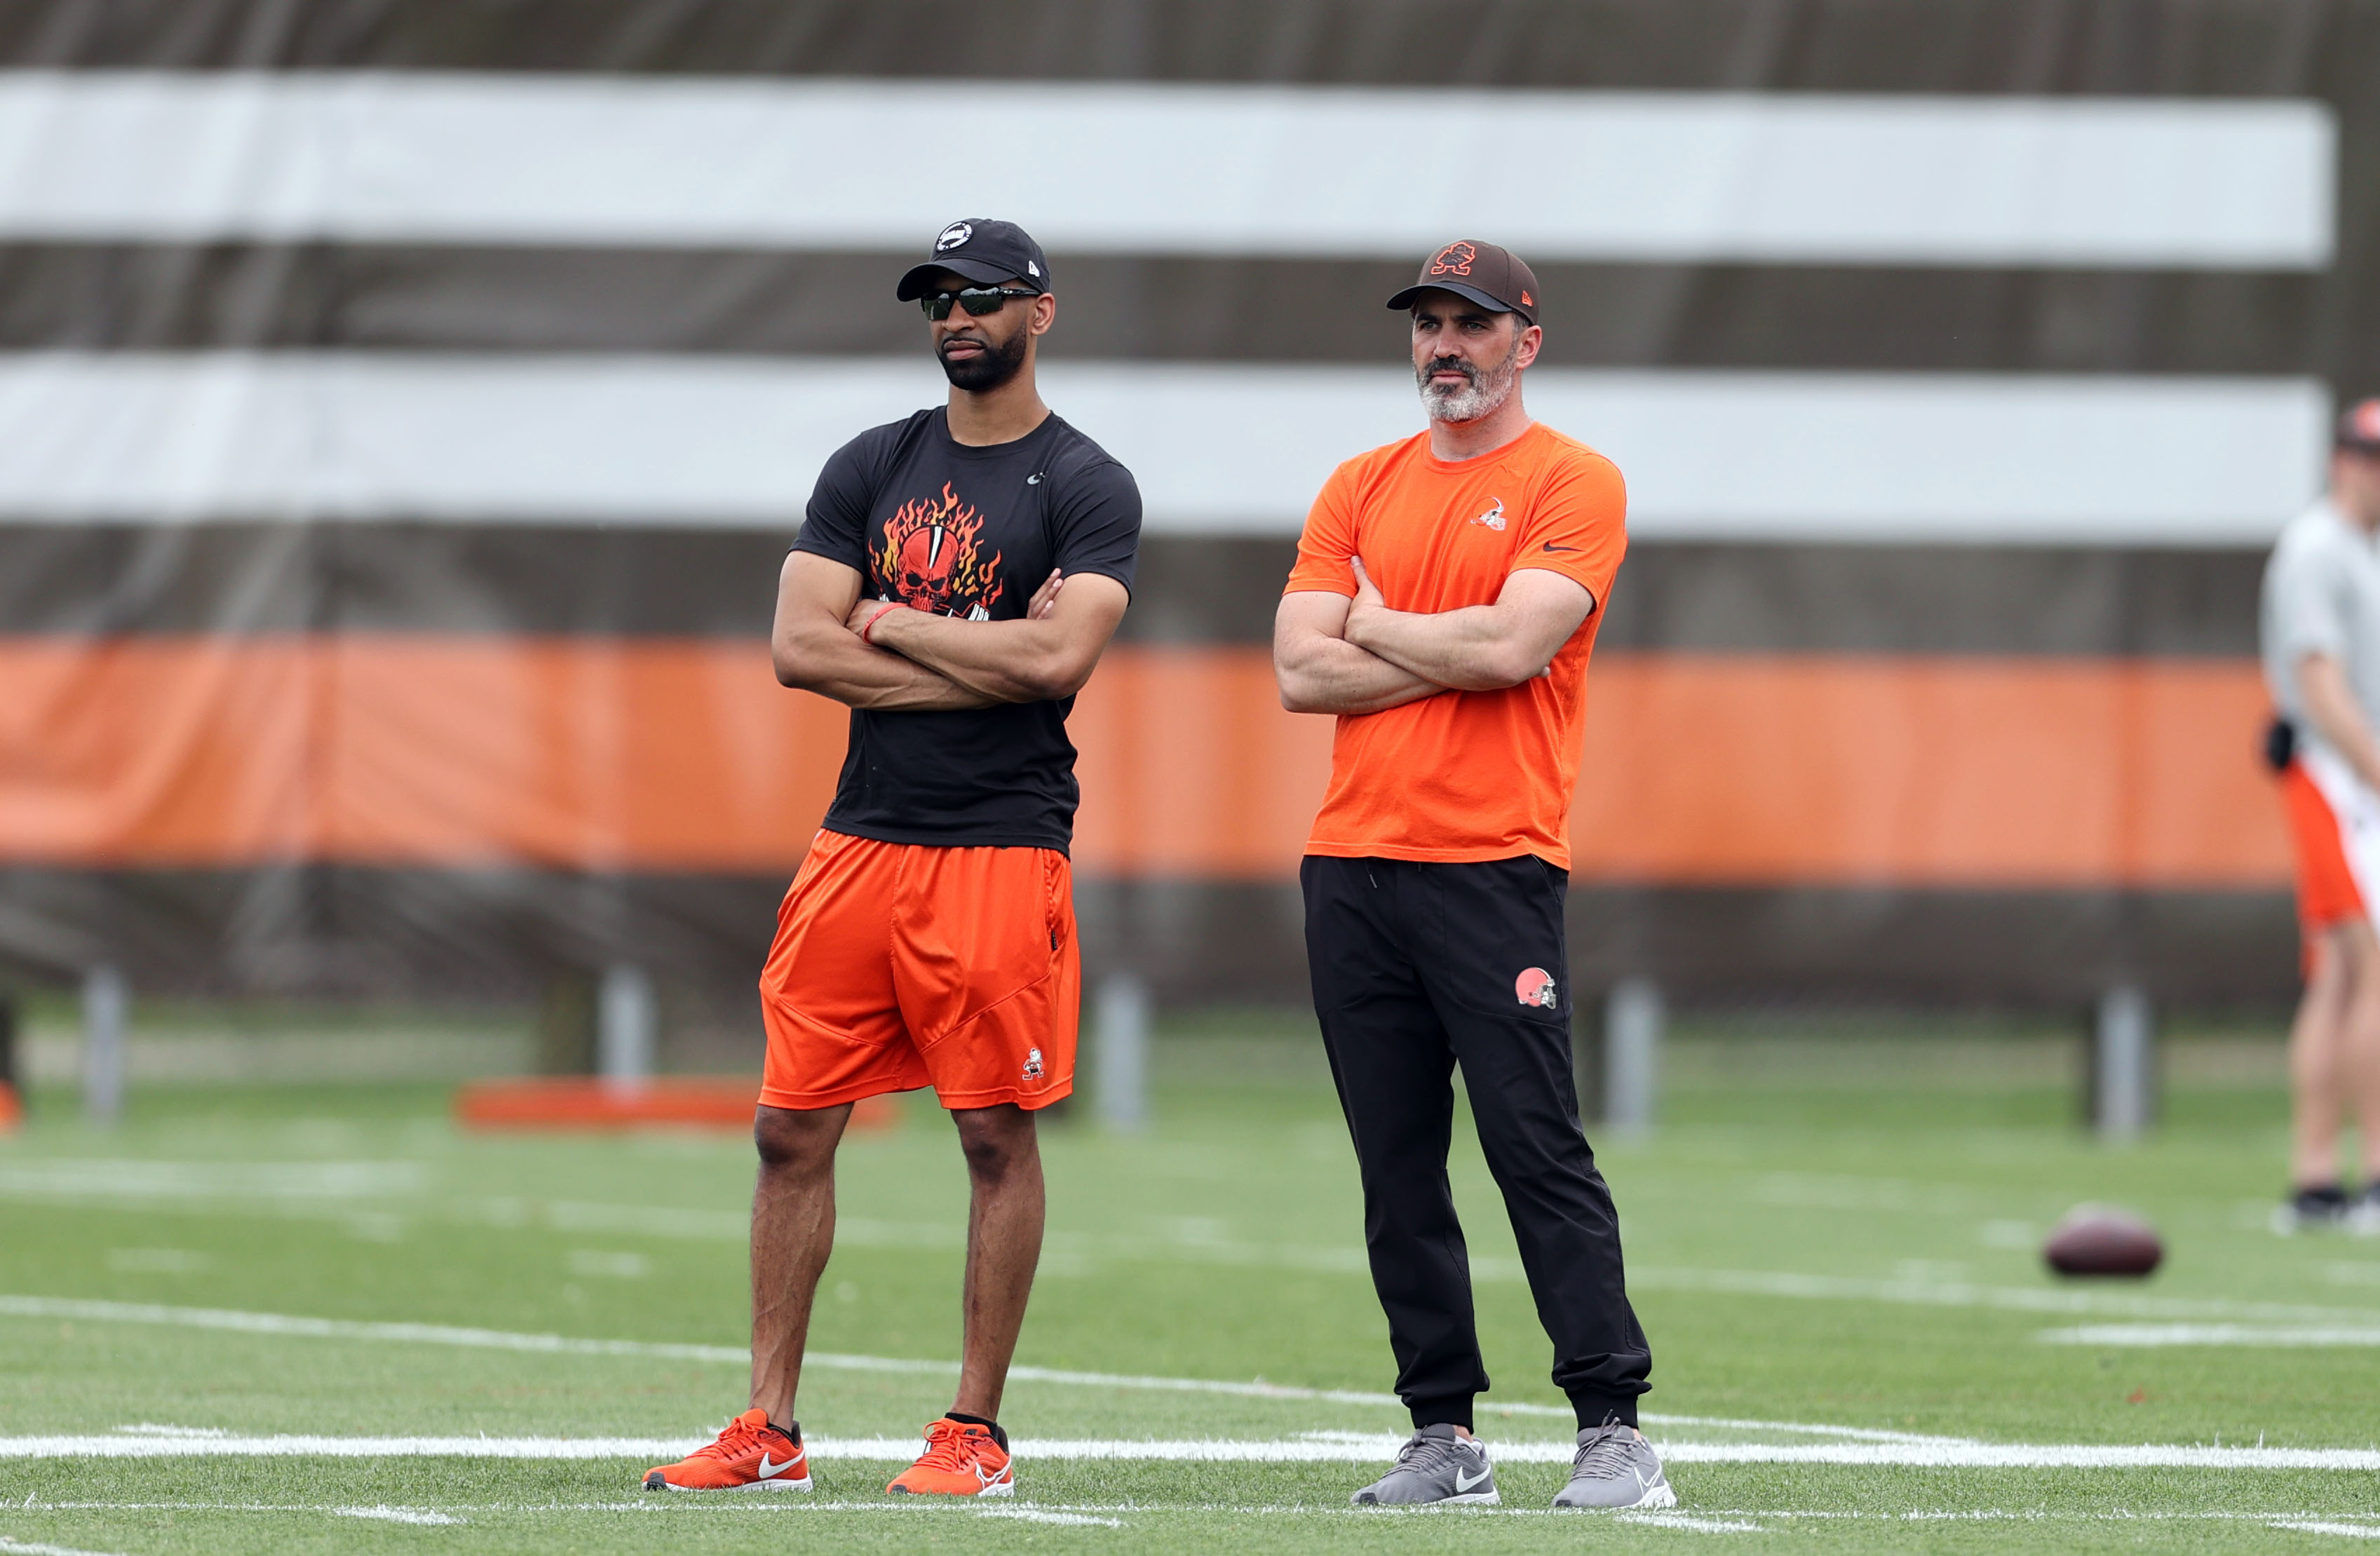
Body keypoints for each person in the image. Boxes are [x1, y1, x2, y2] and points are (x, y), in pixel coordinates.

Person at [644, 218, 1140, 1496]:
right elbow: (801, 648)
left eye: (979, 297)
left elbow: (1057, 663)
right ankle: (767, 1426)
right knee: (785, 1129)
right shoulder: (872, 462)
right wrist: (971, 656)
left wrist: (896, 623)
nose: (953, 317)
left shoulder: (1084, 482)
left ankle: (972, 1430)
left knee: (991, 1135)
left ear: (1039, 311)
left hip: (997, 847)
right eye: (936, 300)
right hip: (859, 839)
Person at [1271, 240, 1672, 1510]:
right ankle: (1441, 1433)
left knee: (1531, 1148)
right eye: (1427, 323)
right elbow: (1295, 668)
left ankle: (1611, 1429)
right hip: (1350, 862)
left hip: (1492, 865)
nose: (1443, 344)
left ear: (1523, 342)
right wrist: (1452, 642)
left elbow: (1512, 645)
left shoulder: (1573, 479)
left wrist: (1375, 621)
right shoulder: (1356, 483)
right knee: (1394, 1165)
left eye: (1470, 323)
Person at [2262, 398, 2380, 1235]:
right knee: (2369, 969)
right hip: (2336, 779)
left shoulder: (2363, 553)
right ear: (2342, 458)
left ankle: (2314, 1180)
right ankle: (2373, 1172)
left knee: (2340, 975)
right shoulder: (2317, 548)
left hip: (2354, 781)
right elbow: (2322, 689)